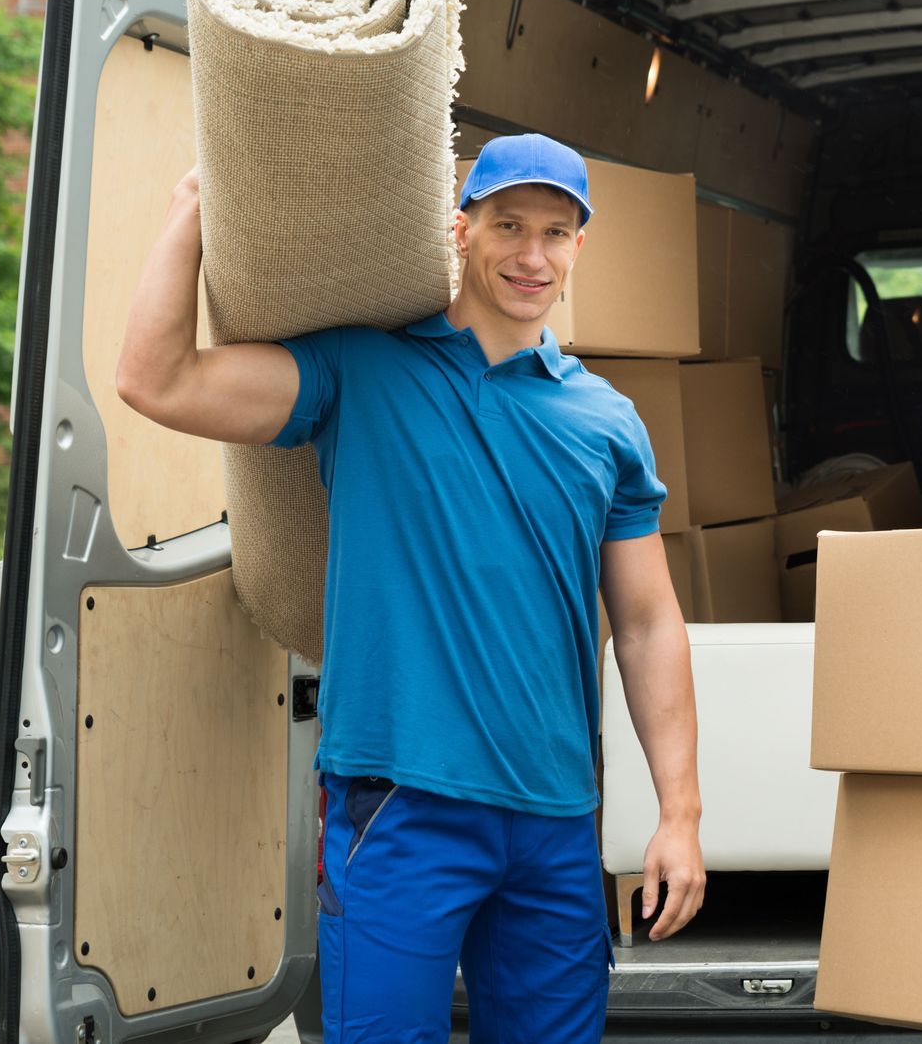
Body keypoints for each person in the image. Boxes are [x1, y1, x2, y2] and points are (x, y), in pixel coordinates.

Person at [116, 132, 704, 1043]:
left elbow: (647, 622)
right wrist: (195, 207)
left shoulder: (608, 422)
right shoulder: (365, 372)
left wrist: (679, 813)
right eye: (509, 224)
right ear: (460, 229)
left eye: (556, 232)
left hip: (554, 822)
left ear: (580, 247)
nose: (531, 254)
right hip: (399, 807)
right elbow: (157, 380)